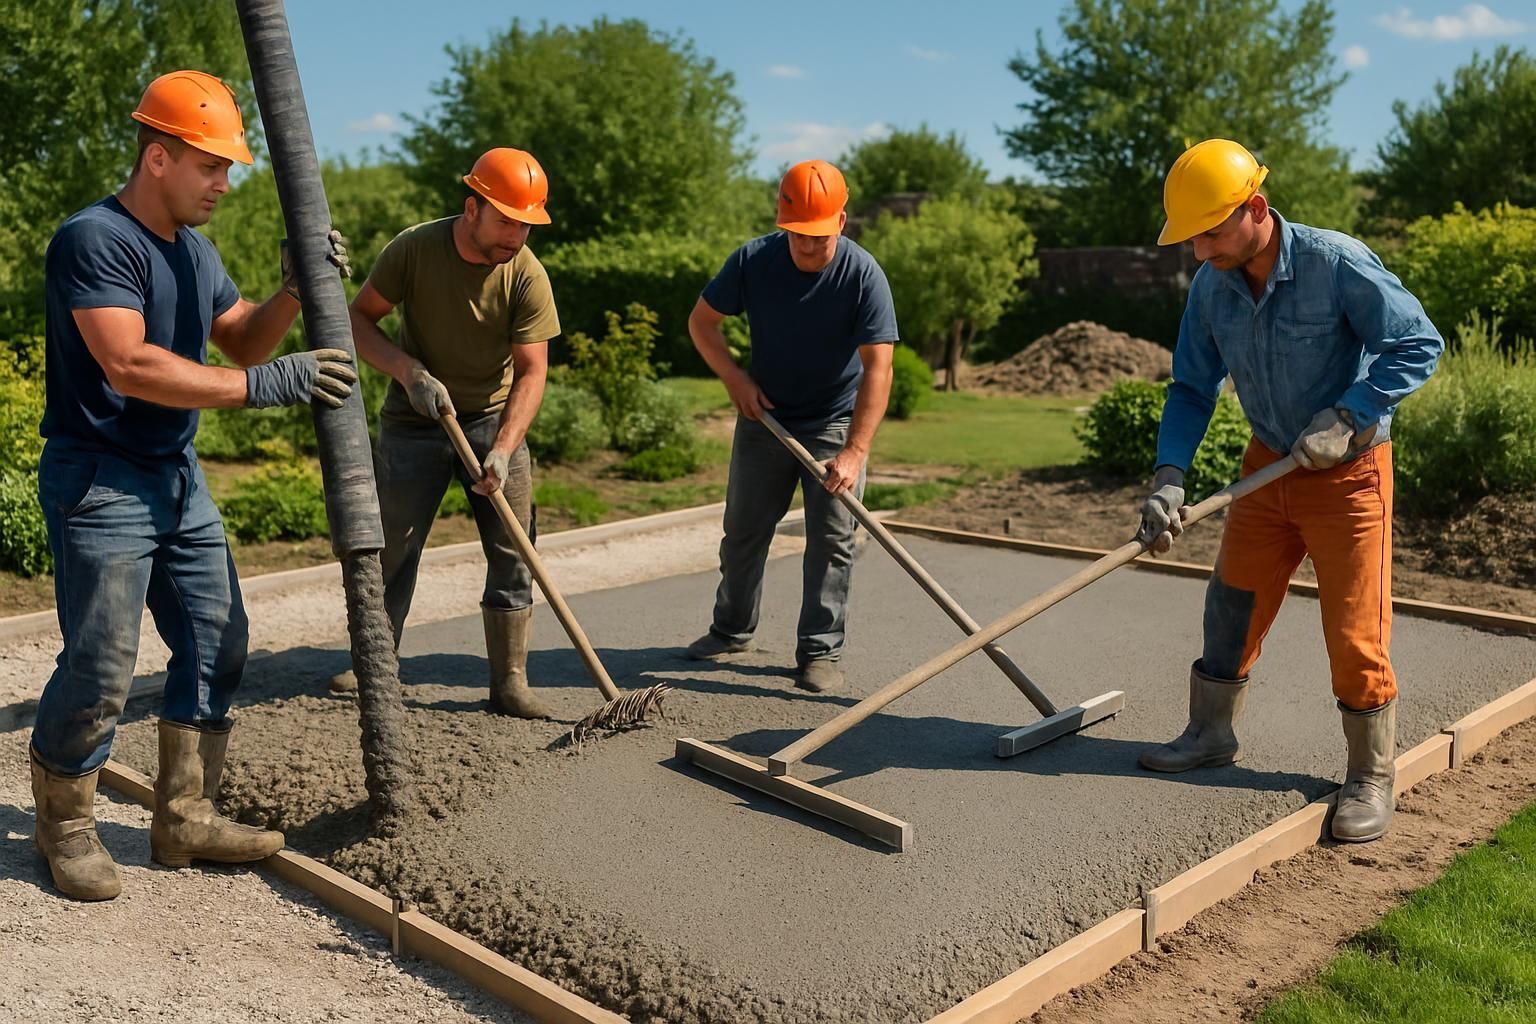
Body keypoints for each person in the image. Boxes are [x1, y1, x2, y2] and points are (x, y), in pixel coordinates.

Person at [32, 69, 355, 901]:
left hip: (175, 476)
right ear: (157, 157)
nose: (224, 180)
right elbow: (128, 363)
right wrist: (263, 387)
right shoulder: (94, 240)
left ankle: (185, 816)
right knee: (102, 667)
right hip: (100, 478)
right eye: (210, 165)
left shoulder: (196, 250)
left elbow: (244, 340)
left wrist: (293, 289)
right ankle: (66, 822)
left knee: (220, 642)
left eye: (227, 165)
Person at [1136, 138, 1443, 843]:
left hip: (1348, 475)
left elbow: (1418, 343)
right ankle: (1210, 733)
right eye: (1190, 238)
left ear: (1257, 209)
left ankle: (1370, 774)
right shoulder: (1212, 286)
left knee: (1354, 630)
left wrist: (1349, 414)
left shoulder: (1336, 265)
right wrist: (1168, 476)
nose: (1198, 251)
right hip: (1267, 464)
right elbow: (1190, 387)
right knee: (1231, 606)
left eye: (1210, 232)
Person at [328, 148, 560, 718]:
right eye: (506, 219)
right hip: (415, 418)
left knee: (514, 550)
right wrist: (408, 373)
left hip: (492, 418)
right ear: (471, 207)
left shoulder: (526, 274)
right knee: (391, 547)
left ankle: (509, 682)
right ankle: (374, 669)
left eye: (527, 222)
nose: (517, 234)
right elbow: (358, 321)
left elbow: (532, 372)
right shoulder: (414, 249)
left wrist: (503, 450)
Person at [684, 159, 899, 693]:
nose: (807, 246)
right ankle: (731, 629)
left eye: (819, 236)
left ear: (842, 222)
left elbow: (879, 367)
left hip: (833, 422)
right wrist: (734, 378)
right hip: (766, 418)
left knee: (832, 540)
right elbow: (702, 322)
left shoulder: (862, 275)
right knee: (743, 534)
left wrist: (854, 452)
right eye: (797, 235)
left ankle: (819, 652)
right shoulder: (754, 260)